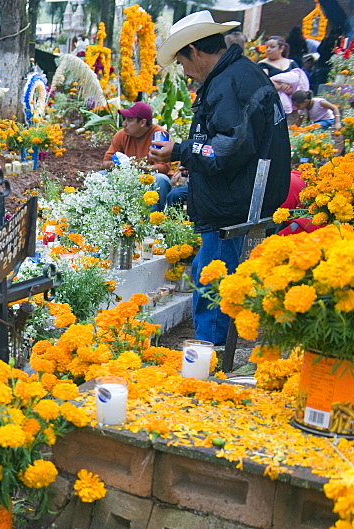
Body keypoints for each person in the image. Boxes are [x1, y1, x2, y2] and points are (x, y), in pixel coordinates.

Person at [150, 11, 290, 347]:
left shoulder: (232, 82)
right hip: (231, 198)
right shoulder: (232, 77)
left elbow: (225, 150)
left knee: (213, 278)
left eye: (183, 62)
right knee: (207, 270)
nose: (184, 72)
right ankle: (211, 349)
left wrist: (181, 151)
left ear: (195, 51)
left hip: (233, 203)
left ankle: (208, 356)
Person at [101, 101, 173, 208]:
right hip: (125, 177)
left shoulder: (160, 135)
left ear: (142, 123)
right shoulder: (121, 135)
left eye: (129, 120)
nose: (124, 124)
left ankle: (154, 221)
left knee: (160, 179)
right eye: (125, 119)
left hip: (150, 178)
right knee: (100, 176)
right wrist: (118, 165)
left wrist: (141, 168)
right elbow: (104, 164)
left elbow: (164, 168)